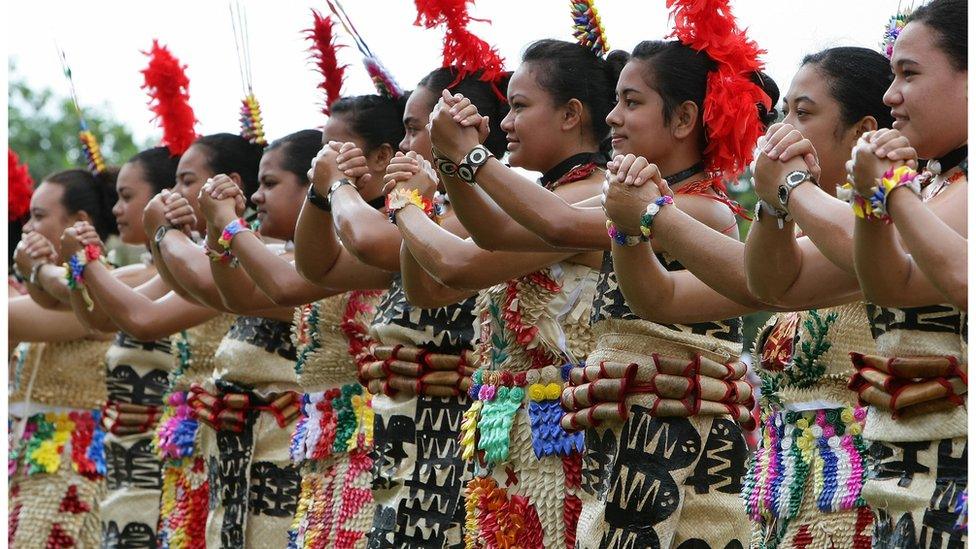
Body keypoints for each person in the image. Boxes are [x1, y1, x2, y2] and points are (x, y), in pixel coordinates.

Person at [604, 44, 895, 547]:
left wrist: (655, 215)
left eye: (802, 114)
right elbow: (664, 297)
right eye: (782, 114)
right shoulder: (803, 239)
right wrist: (628, 227)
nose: (779, 132)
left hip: (867, 503)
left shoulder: (889, 224)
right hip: (784, 503)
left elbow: (769, 281)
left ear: (864, 132)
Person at [384, 37, 620, 547]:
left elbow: (454, 262)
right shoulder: (541, 201)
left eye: (519, 106)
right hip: (505, 438)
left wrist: (406, 202)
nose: (505, 124)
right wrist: (435, 185)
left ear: (570, 114)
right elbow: (425, 288)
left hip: (564, 438)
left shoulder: (588, 197)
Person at [844, 0, 968, 544]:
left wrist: (886, 190)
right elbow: (888, 284)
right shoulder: (941, 188)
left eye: (908, 74)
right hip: (912, 468)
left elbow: (959, 278)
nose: (890, 95)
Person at [8, 167, 120, 548]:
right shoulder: (33, 292)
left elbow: (10, 320)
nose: (26, 228)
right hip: (27, 466)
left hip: (76, 472)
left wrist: (33, 275)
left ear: (79, 223)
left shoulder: (109, 287)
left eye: (39, 216)